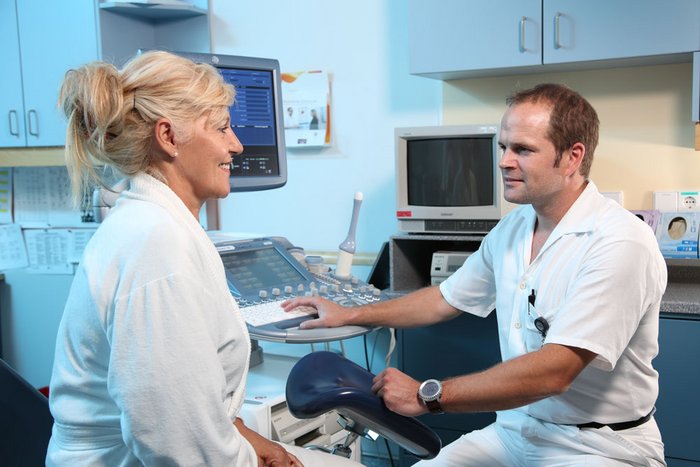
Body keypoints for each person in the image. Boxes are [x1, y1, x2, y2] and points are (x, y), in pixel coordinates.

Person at [283, 83, 668, 466]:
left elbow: (556, 371)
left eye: (523, 149)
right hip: (516, 431)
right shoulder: (514, 229)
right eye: (503, 147)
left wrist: (426, 396)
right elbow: (443, 298)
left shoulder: (619, 242)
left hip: (600, 447)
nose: (503, 161)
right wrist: (350, 313)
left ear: (572, 157)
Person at [47, 50, 361, 467]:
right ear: (169, 137)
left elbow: (189, 411)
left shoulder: (160, 226)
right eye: (222, 128)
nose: (237, 144)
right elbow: (171, 438)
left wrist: (250, 439)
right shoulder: (156, 246)